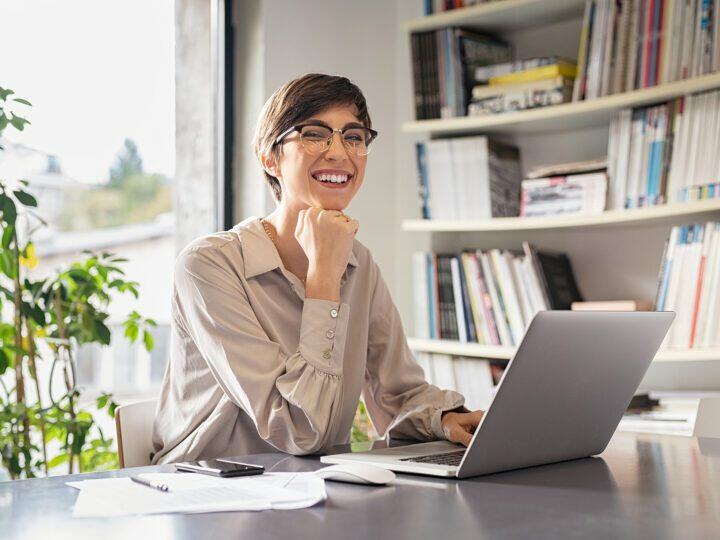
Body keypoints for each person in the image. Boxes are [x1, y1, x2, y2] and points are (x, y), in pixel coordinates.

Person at [151, 73, 483, 464]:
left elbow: (397, 394)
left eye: (354, 137)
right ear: (269, 157)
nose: (339, 153)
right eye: (315, 134)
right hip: (206, 494)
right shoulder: (207, 266)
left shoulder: (360, 263)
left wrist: (446, 419)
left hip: (308, 487)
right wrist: (323, 277)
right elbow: (298, 431)